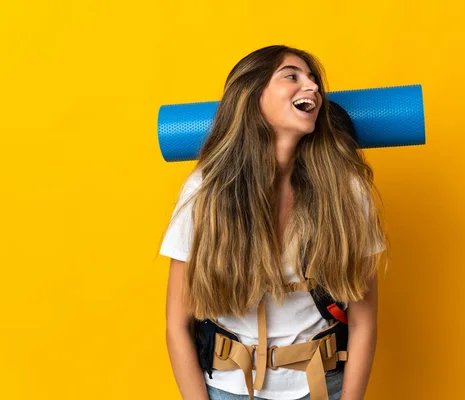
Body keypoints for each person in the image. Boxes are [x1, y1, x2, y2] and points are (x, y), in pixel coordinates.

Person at [160, 45, 387, 400]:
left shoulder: (346, 189)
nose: (311, 87)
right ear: (253, 96)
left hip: (320, 388)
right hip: (227, 390)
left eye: (314, 81)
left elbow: (363, 319)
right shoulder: (206, 191)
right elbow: (177, 324)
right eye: (292, 76)